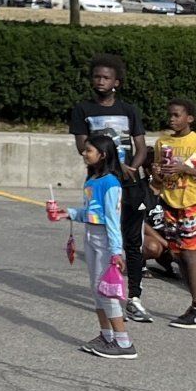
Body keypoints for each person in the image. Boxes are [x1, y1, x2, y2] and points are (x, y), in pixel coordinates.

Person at [68, 53, 153, 322]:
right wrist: (110, 166)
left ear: (117, 82)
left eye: (106, 77)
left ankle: (134, 297)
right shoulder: (83, 110)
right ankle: (110, 294)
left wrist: (131, 168)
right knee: (105, 239)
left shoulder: (129, 111)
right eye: (97, 77)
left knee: (132, 241)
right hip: (102, 184)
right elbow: (83, 146)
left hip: (130, 185)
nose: (100, 81)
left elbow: (141, 147)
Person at [56, 130, 136, 358]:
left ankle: (123, 342)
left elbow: (112, 219)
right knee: (96, 289)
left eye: (89, 150)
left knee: (107, 291)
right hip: (91, 237)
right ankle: (106, 335)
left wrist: (116, 251)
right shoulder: (92, 180)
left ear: (103, 154)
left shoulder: (111, 183)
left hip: (105, 241)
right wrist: (68, 213)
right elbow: (91, 212)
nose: (84, 153)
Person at [144, 97, 196, 328]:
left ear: (189, 118)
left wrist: (185, 168)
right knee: (179, 254)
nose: (172, 119)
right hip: (170, 203)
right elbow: (157, 180)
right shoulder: (162, 142)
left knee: (190, 253)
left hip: (192, 203)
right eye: (170, 114)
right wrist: (157, 173)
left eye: (177, 115)